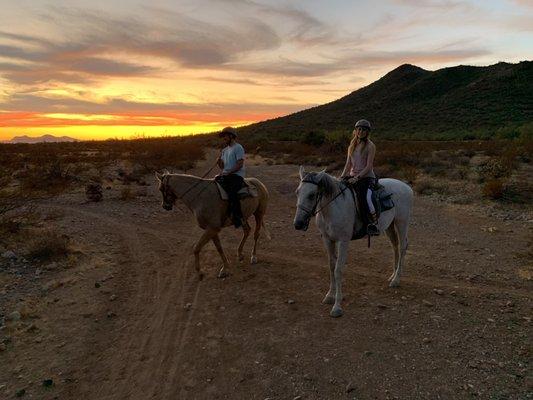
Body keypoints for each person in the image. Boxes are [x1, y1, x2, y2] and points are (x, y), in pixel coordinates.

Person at [340, 119, 379, 236]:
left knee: (365, 198)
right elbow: (348, 164)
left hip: (366, 177)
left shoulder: (370, 146)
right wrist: (342, 177)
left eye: (364, 130)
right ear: (355, 130)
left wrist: (357, 178)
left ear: (367, 132)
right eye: (359, 129)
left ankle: (371, 224)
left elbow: (369, 166)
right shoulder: (351, 145)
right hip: (352, 176)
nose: (361, 132)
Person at [216, 126, 246, 228]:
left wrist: (228, 172)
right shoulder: (224, 150)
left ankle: (238, 218)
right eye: (223, 136)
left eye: (225, 136)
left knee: (232, 193)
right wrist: (219, 162)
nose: (224, 138)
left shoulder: (238, 147)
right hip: (226, 175)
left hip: (236, 176)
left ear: (231, 136)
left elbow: (240, 164)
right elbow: (222, 166)